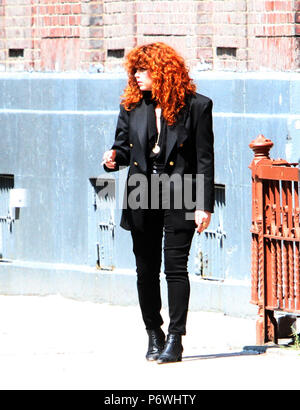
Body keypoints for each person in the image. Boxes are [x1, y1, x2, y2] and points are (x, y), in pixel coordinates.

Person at [102, 42, 214, 364]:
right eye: (134, 70)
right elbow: (122, 148)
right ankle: (154, 333)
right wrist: (113, 158)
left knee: (176, 268)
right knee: (146, 269)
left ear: (162, 71)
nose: (136, 76)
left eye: (143, 70)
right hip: (141, 188)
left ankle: (176, 339)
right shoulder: (131, 106)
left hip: (181, 188)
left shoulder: (197, 106)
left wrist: (203, 205)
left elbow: (204, 159)